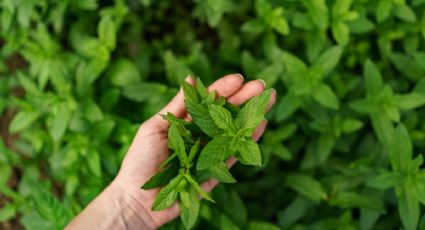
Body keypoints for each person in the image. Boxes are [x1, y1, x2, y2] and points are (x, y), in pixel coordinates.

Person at [65, 74, 277, 230]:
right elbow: (206, 156)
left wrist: (127, 202)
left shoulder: (230, 141)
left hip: (223, 133)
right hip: (206, 146)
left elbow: (210, 152)